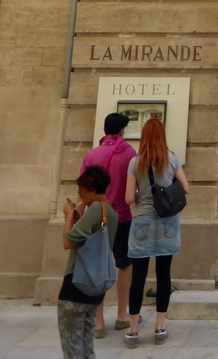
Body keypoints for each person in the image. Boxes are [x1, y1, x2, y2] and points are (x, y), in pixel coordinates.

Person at [124, 117, 189, 348]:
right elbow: (186, 187)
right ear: (162, 136)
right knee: (164, 274)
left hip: (142, 221)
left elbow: (128, 198)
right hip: (167, 223)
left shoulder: (135, 162)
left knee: (138, 277)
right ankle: (160, 327)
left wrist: (142, 193)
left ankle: (132, 330)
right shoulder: (171, 159)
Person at [80, 112, 136, 337]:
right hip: (122, 216)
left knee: (97, 267)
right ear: (122, 130)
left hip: (96, 217)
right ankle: (122, 315)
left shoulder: (91, 154)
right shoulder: (130, 154)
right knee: (124, 264)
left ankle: (98, 321)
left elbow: (83, 189)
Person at [57, 165, 118, 359]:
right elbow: (90, 238)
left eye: (81, 191)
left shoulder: (94, 209)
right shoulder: (111, 212)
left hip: (76, 284)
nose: (80, 195)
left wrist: (68, 214)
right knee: (85, 346)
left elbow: (67, 242)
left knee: (72, 348)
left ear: (91, 188)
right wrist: (77, 218)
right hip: (95, 287)